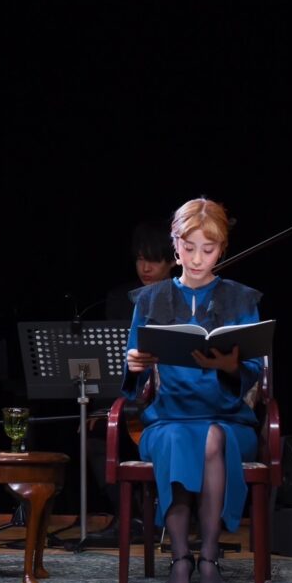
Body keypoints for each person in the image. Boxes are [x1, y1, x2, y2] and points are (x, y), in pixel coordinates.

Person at [123, 197, 263, 583]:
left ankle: (210, 557)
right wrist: (134, 362)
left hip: (228, 419)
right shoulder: (150, 299)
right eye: (188, 248)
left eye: (208, 249)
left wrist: (231, 366)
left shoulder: (241, 299)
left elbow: (253, 369)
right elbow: (134, 367)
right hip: (168, 418)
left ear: (222, 250)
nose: (197, 258)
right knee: (176, 439)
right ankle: (181, 557)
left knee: (213, 438)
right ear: (175, 244)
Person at [86, 219, 177, 543]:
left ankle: (167, 515)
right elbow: (114, 361)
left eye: (153, 260)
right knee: (95, 430)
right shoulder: (120, 298)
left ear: (172, 261)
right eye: (140, 259)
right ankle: (128, 515)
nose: (145, 268)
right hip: (130, 393)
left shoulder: (184, 297)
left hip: (169, 393)